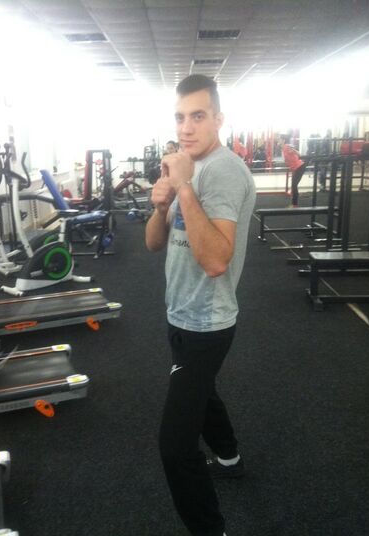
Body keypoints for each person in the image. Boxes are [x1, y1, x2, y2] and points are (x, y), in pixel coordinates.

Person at [145, 74, 256, 536]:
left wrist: (185, 189)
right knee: (201, 391)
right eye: (179, 117)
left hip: (206, 324)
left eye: (197, 116)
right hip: (180, 312)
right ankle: (229, 457)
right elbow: (153, 243)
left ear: (218, 119)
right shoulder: (185, 166)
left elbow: (214, 262)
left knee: (174, 447)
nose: (186, 128)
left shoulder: (223, 172)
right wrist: (160, 206)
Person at [279, 133, 307, 207]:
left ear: (283, 140)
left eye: (279, 139)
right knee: (294, 185)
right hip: (296, 168)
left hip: (299, 167)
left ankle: (294, 204)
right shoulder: (283, 148)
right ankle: (294, 203)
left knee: (294, 185)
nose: (278, 140)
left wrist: (294, 150)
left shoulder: (287, 146)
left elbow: (299, 154)